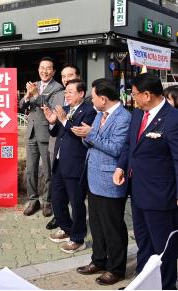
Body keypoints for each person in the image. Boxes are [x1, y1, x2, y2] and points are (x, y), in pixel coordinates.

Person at [113, 73, 178, 290]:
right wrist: (122, 166)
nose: (133, 98)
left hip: (161, 196)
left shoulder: (173, 119)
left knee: (163, 248)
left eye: (135, 94)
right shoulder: (138, 115)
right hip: (138, 192)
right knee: (144, 243)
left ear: (148, 95)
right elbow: (129, 145)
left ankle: (166, 285)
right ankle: (142, 284)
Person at [72, 79, 131, 285]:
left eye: (93, 96)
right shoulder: (99, 114)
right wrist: (85, 135)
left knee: (112, 226)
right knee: (96, 224)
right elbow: (92, 140)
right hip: (93, 177)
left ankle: (116, 268)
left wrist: (91, 134)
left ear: (103, 99)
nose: (91, 99)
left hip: (111, 180)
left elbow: (116, 149)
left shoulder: (124, 118)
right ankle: (98, 260)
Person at [42, 79, 96, 253]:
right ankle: (66, 228)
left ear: (81, 93)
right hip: (59, 162)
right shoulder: (64, 110)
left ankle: (78, 238)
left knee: (76, 202)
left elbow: (80, 133)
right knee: (57, 199)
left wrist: (64, 121)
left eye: (70, 92)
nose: (67, 95)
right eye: (65, 92)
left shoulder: (89, 111)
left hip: (75, 163)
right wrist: (52, 121)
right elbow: (56, 132)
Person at [19, 57, 64, 217]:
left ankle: (47, 201)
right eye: (42, 68)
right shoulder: (34, 85)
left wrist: (37, 95)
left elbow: (52, 108)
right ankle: (33, 200)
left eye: (48, 68)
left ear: (53, 71)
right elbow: (22, 106)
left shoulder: (58, 88)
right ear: (38, 69)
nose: (44, 71)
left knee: (48, 170)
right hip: (31, 132)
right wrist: (26, 96)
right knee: (31, 169)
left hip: (47, 133)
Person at [46, 63, 81, 230]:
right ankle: (62, 221)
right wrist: (52, 122)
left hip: (75, 156)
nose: (66, 79)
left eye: (70, 75)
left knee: (75, 197)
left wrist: (63, 119)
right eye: (64, 76)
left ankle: (76, 230)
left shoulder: (87, 99)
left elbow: (80, 129)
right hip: (58, 150)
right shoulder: (60, 96)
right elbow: (55, 124)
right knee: (58, 194)